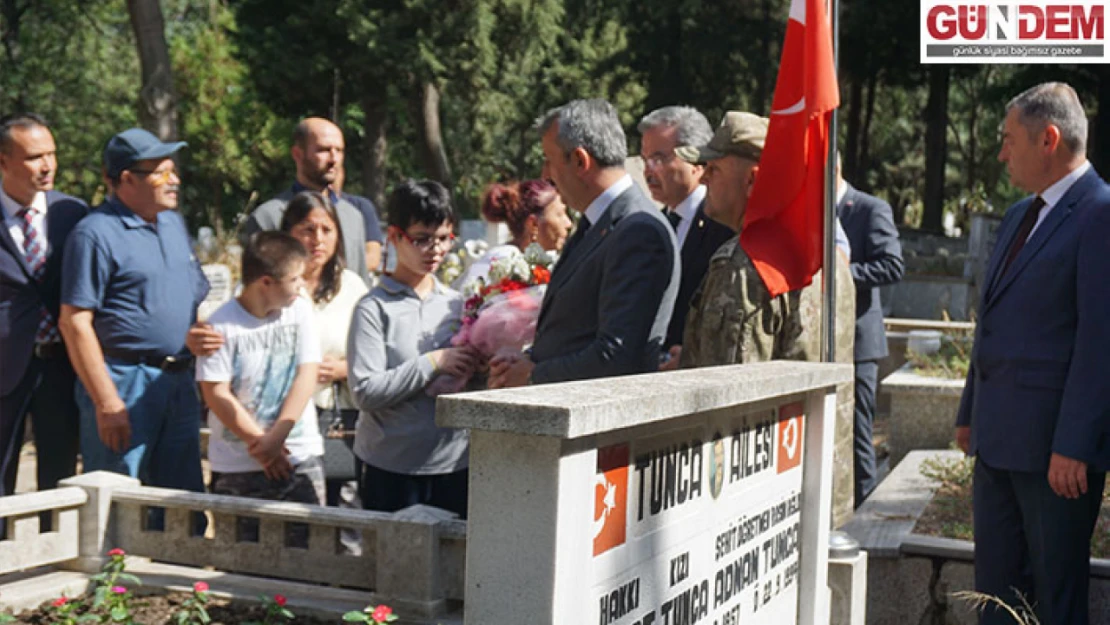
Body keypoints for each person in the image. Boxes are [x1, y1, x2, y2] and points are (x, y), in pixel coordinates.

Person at [954, 82, 1110, 625]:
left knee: (1056, 596)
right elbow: (993, 320)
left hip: (1054, 456)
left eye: (1008, 140)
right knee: (996, 595)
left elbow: (1100, 340)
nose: (1001, 153)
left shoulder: (1100, 214)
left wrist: (1075, 445)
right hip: (997, 442)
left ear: (1048, 139)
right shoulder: (1022, 213)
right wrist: (971, 412)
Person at [488, 99, 679, 387]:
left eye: (549, 160)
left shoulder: (637, 231)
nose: (545, 175)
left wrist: (531, 375)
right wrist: (530, 360)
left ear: (580, 161)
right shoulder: (599, 222)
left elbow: (617, 356)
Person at [59, 128, 208, 496]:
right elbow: (75, 321)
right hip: (124, 381)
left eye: (174, 171)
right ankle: (116, 558)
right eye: (162, 172)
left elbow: (189, 294)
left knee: (182, 501)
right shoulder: (94, 234)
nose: (174, 181)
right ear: (127, 179)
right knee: (118, 500)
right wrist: (106, 400)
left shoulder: (172, 222)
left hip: (178, 382)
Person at [677, 111, 854, 367]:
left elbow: (732, 389)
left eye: (714, 168)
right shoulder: (829, 255)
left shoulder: (743, 265)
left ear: (752, 179)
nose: (703, 178)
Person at [347, 180, 478, 518]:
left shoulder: (458, 304)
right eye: (421, 239)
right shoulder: (373, 308)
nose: (434, 250)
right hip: (390, 468)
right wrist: (434, 362)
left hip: (455, 465)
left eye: (443, 238)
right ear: (394, 235)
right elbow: (366, 391)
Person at [196, 231, 324, 514]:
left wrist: (278, 437)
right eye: (295, 279)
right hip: (237, 462)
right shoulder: (220, 325)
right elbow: (215, 392)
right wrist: (263, 445)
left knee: (308, 548)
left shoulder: (300, 310)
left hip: (298, 454)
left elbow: (307, 373)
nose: (302, 286)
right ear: (266, 282)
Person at [0, 113, 86, 500]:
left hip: (61, 367)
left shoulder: (74, 213)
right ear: (4, 161)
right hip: (5, 368)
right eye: (35, 157)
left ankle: (54, 556)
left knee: (59, 475)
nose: (48, 165)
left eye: (51, 154)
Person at [279, 191, 368, 513]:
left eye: (327, 230)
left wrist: (344, 369)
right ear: (288, 233)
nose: (318, 239)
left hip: (337, 417)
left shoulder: (353, 287)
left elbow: (375, 351)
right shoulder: (271, 286)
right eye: (307, 229)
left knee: (343, 515)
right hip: (283, 419)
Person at [637, 106, 734, 362]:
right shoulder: (655, 224)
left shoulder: (723, 225)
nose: (648, 171)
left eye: (659, 159)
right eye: (644, 159)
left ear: (697, 162)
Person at [836, 163, 904, 507]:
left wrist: (840, 273)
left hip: (858, 345)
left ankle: (865, 515)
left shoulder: (868, 208)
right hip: (821, 343)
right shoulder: (808, 212)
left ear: (833, 166)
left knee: (857, 433)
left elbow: (892, 265)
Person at [240, 118, 369, 282]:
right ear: (298, 154)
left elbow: (361, 285)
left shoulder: (353, 217)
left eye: (339, 150)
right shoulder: (268, 217)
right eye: (323, 150)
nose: (333, 159)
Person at [455, 179, 572, 287]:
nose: (568, 224)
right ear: (533, 224)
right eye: (560, 214)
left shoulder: (547, 263)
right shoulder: (501, 262)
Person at [335, 164, 384, 273]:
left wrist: (340, 274)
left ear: (343, 174)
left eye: (335, 171)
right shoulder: (300, 205)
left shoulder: (360, 207)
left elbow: (373, 257)